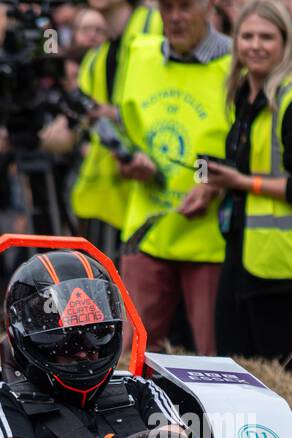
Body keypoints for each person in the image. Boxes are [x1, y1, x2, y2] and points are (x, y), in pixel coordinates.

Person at [0, 250, 223, 438]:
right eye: (68, 344)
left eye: (94, 338)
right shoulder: (3, 397)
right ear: (31, 337)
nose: (84, 353)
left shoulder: (137, 387)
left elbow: (169, 437)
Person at [181, 0, 292, 370]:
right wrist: (212, 185)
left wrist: (241, 182)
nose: (255, 45)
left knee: (279, 381)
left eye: (267, 37)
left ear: (285, 43)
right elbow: (246, 162)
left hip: (282, 266)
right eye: (247, 36)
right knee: (235, 367)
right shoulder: (245, 94)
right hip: (244, 253)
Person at [115, 0, 233, 355]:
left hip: (210, 234)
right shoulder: (140, 54)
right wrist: (126, 158)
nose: (176, 17)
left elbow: (252, 139)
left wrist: (214, 184)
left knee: (214, 357)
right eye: (168, 8)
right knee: (130, 351)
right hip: (148, 228)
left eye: (186, 7)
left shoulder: (236, 62)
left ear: (209, 6)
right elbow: (121, 126)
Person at [66, 0, 161, 233]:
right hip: (105, 202)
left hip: (158, 198)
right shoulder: (97, 56)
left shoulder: (160, 24)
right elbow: (76, 129)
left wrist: (117, 115)